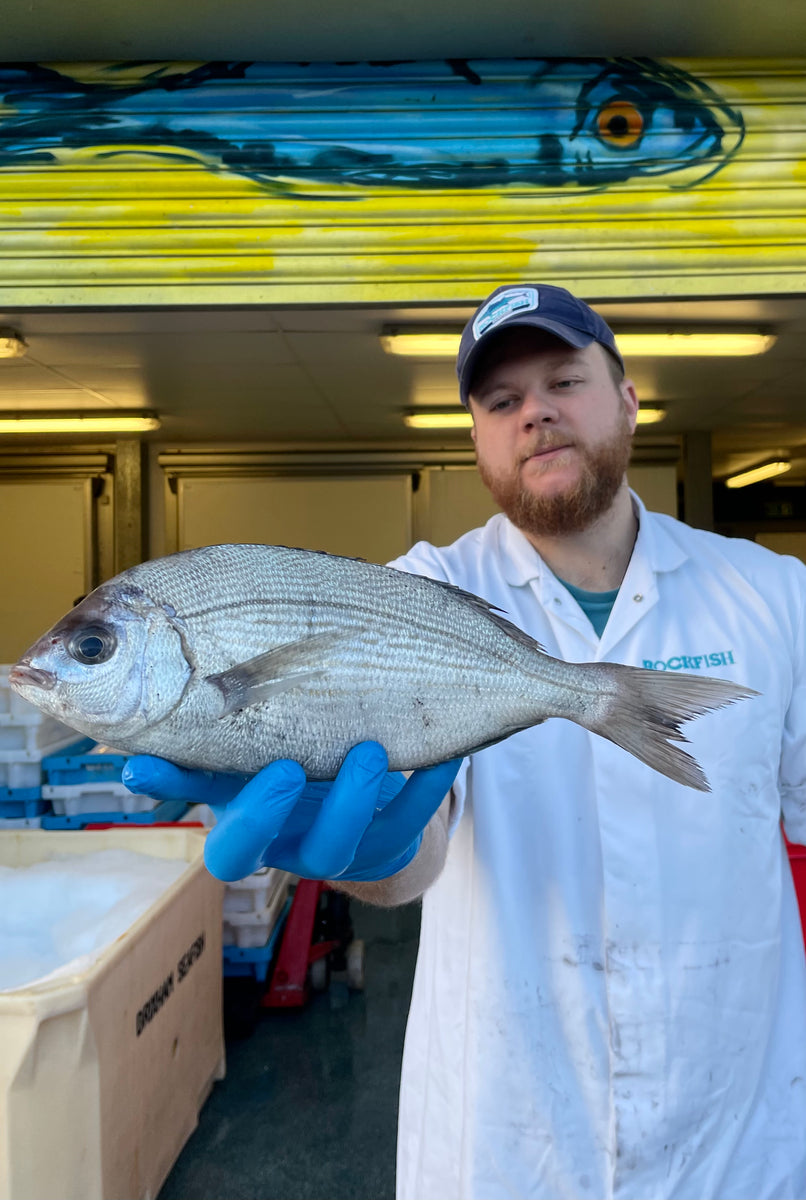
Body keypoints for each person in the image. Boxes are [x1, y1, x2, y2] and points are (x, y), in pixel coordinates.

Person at [123, 283, 806, 1200]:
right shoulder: (415, 595)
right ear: (478, 437)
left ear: (628, 398)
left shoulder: (777, 597)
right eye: (502, 400)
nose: (536, 414)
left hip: (739, 1143)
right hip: (506, 1149)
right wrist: (371, 855)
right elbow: (417, 849)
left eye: (564, 381)